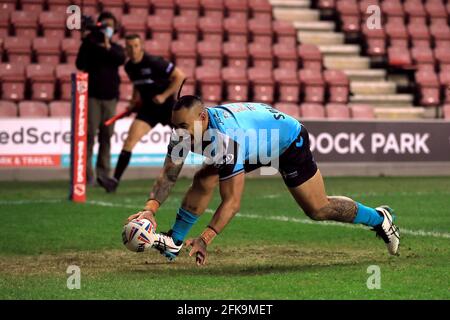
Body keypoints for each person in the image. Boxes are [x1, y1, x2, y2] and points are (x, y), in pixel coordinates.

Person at [126, 97, 400, 266]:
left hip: (287, 141)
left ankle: (379, 218)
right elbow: (169, 174)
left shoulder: (226, 140)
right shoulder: (184, 133)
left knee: (318, 209)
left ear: (202, 117)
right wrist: (151, 208)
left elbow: (232, 202)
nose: (177, 132)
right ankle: (175, 241)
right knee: (205, 176)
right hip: (257, 139)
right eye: (174, 126)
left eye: (182, 127)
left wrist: (206, 238)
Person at [97, 34, 185, 193]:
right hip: (148, 109)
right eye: (129, 46)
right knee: (129, 141)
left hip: (167, 108)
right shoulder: (129, 67)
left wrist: (164, 96)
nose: (132, 49)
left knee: (191, 140)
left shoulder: (155, 62)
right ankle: (114, 182)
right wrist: (133, 102)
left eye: (136, 46)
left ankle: (220, 166)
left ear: (141, 46)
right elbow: (138, 85)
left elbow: (180, 76)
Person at [76, 11, 126, 185]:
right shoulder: (90, 45)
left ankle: (103, 175)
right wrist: (85, 39)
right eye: (104, 25)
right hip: (92, 97)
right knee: (89, 136)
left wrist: (106, 44)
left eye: (110, 26)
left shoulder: (116, 49)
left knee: (107, 136)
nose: (107, 29)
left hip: (110, 98)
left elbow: (120, 59)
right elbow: (80, 64)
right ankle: (85, 176)